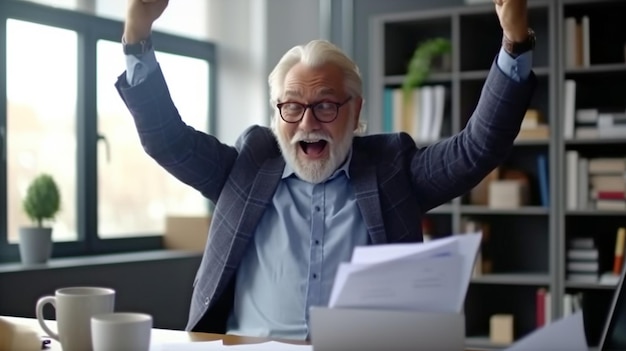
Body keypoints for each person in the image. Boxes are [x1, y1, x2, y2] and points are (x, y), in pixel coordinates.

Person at [116, 0, 536, 341]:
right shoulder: (246, 167)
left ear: (355, 112)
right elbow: (167, 141)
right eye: (292, 106)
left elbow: (476, 148)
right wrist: (137, 37)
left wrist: (514, 44)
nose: (307, 122)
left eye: (326, 106)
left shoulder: (392, 169)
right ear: (276, 114)